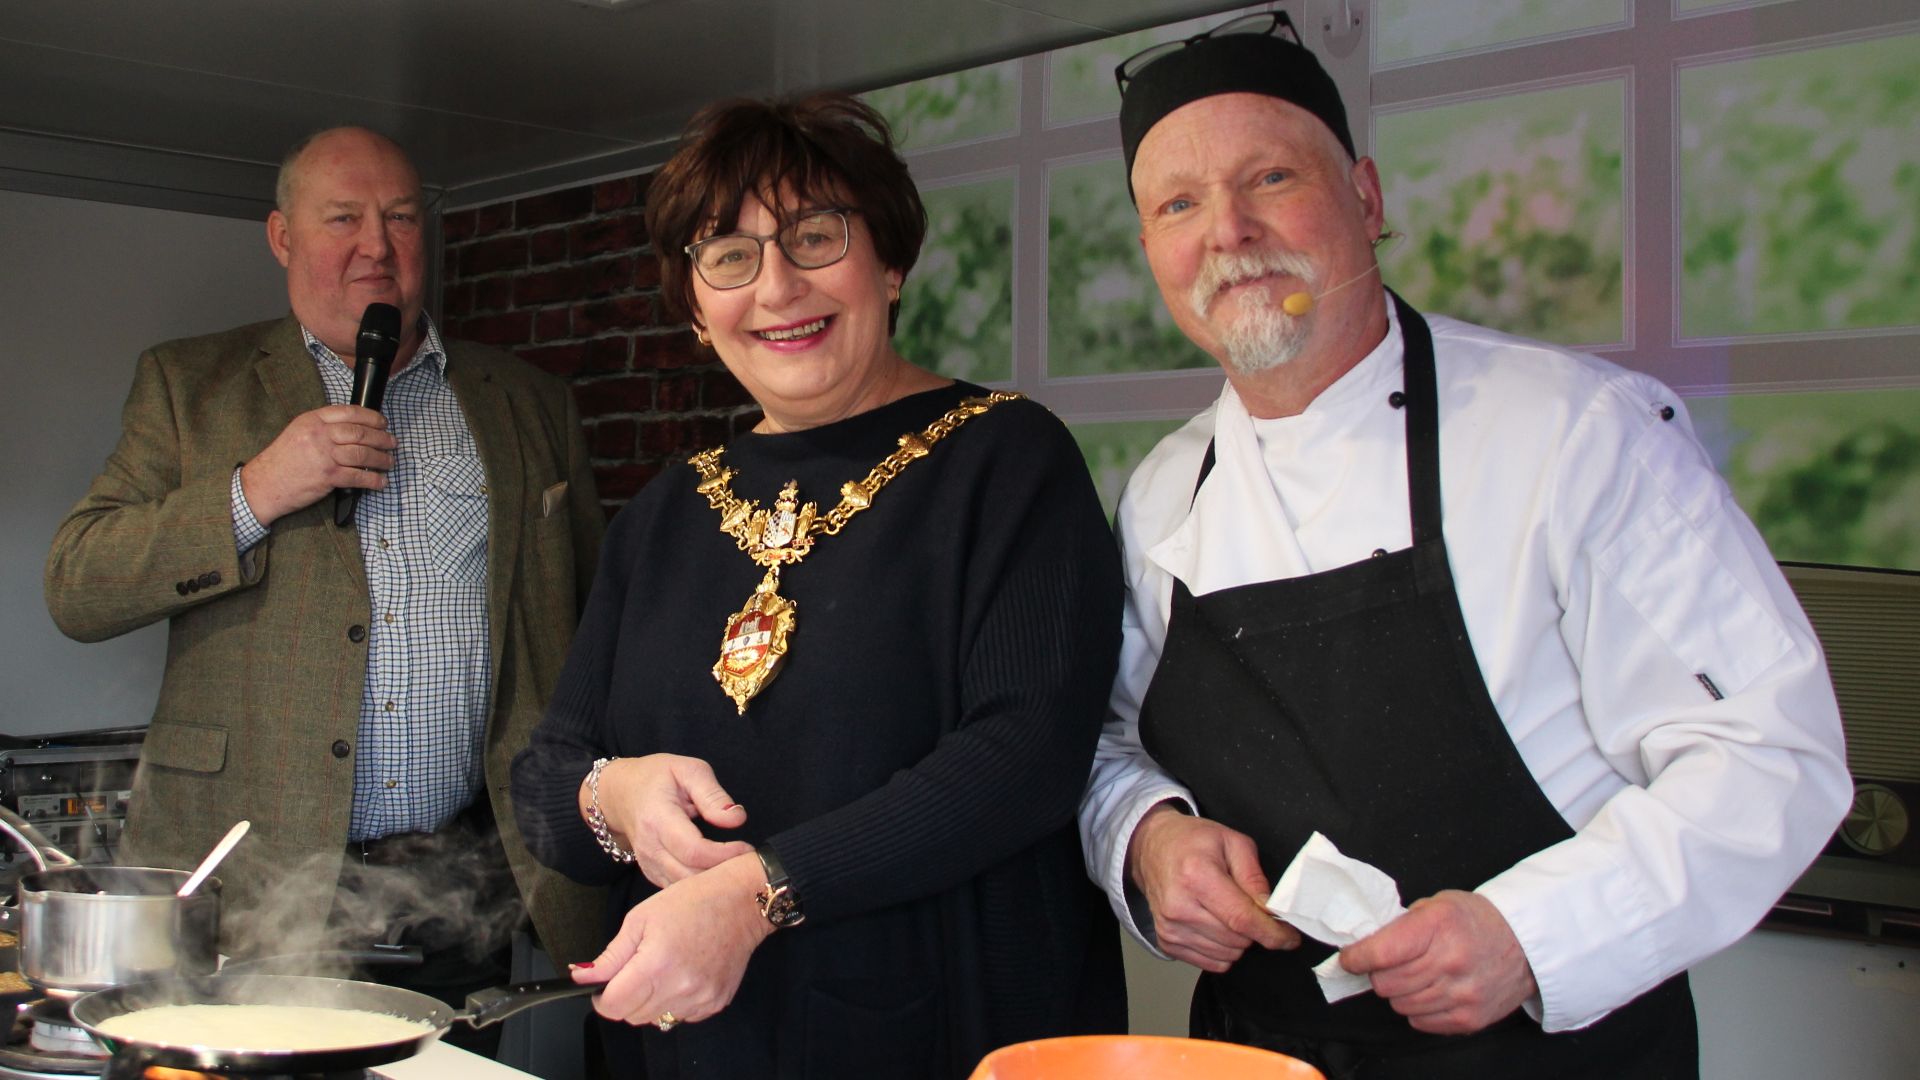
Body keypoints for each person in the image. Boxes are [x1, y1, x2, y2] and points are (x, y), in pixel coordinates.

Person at [1077, 13, 1850, 1079]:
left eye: (1270, 180)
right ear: (1151, 250)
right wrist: (1148, 837)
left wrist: (1531, 936)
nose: (1228, 232)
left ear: (1367, 199)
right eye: (1178, 204)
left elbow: (1772, 755)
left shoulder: (1577, 434)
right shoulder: (1167, 492)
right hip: (1263, 1053)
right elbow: (1107, 741)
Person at [511, 93, 1127, 1078]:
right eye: (729, 255)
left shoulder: (1006, 461)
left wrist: (759, 894)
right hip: (684, 1051)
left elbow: (1023, 758)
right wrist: (613, 796)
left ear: (891, 260)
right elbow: (545, 780)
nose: (777, 287)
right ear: (696, 310)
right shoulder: (668, 511)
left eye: (815, 236)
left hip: (939, 1038)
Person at [44, 126, 605, 1050]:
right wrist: (256, 488)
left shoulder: (528, 402)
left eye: (399, 217)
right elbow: (77, 585)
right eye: (342, 217)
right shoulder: (191, 385)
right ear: (282, 237)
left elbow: (587, 625)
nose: (375, 246)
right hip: (250, 878)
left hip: (459, 881)